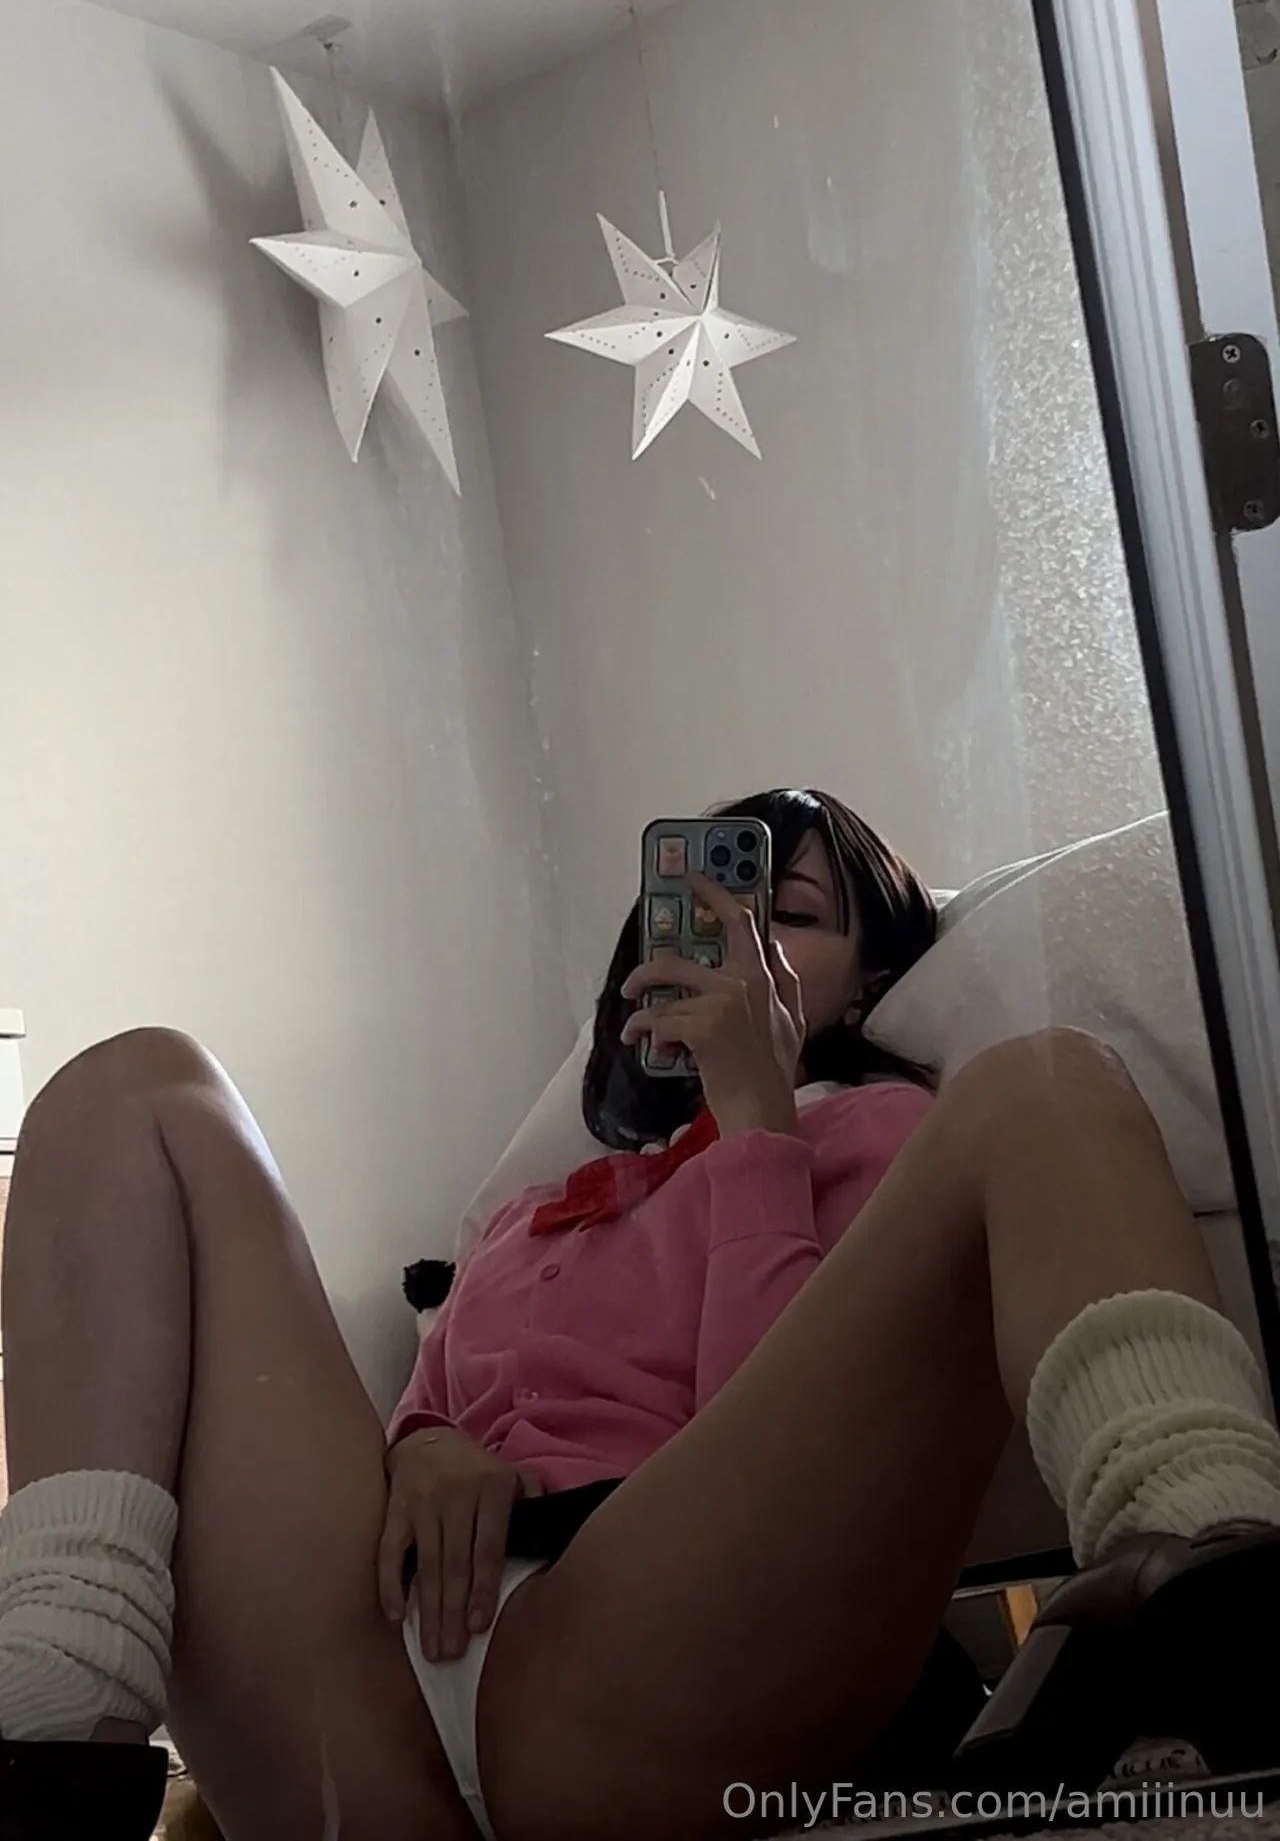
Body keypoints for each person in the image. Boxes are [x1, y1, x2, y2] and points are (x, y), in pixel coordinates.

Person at [0, 787, 1278, 1841]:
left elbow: (787, 1457)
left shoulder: (884, 1138)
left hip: (621, 1679)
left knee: (1045, 1080)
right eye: (698, 916)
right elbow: (397, 1437)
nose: (737, 944)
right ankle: (56, 1708)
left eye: (789, 918)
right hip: (361, 1706)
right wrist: (423, 1444)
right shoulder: (525, 1211)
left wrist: (756, 1119)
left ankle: (1212, 1606)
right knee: (137, 1082)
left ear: (864, 986)